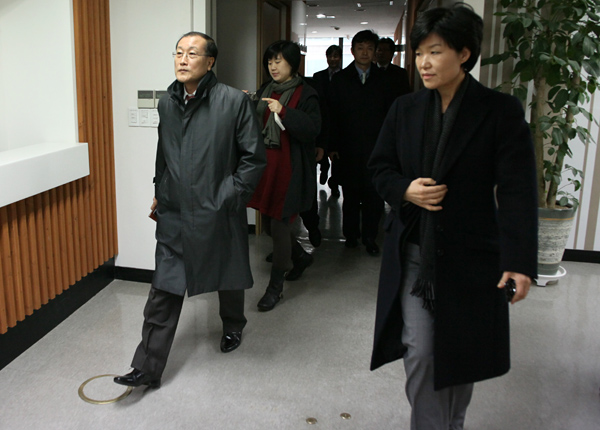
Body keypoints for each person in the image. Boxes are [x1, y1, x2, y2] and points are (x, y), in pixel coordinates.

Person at [368, 5, 538, 429]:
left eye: (435, 51)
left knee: (461, 354)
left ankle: (451, 423)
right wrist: (405, 189)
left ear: (464, 54)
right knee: (422, 352)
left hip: (473, 255)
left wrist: (519, 261)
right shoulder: (405, 109)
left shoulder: (499, 111)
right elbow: (379, 168)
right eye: (418, 53)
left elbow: (517, 190)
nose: (423, 63)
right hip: (416, 252)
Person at [114, 32, 266, 389]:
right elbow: (163, 153)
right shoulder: (167, 103)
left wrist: (230, 196)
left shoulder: (233, 102)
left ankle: (233, 325)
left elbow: (253, 158)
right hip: (176, 210)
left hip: (217, 208)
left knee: (228, 272)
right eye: (178, 53)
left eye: (192, 53)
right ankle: (147, 368)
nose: (183, 59)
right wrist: (160, 189)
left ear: (210, 62)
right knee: (164, 287)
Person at [248, 40, 321, 311]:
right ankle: (300, 256)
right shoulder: (266, 89)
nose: (273, 66)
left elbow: (312, 129)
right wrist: (248, 103)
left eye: (278, 61)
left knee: (279, 226)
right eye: (269, 61)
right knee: (268, 224)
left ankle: (275, 288)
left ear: (293, 63)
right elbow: (256, 123)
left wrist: (284, 111)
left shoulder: (306, 93)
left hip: (290, 169)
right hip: (266, 166)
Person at [328, 30, 398, 256]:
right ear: (352, 51)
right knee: (350, 194)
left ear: (375, 52)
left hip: (377, 147)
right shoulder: (340, 79)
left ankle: (370, 237)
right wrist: (332, 146)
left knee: (374, 195)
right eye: (360, 48)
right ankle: (350, 235)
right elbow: (332, 115)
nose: (365, 53)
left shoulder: (385, 80)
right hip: (347, 147)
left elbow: (392, 116)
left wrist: (391, 147)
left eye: (369, 48)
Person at [313, 45, 342, 196]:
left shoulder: (344, 76)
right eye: (330, 56)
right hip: (323, 118)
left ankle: (334, 183)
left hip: (338, 120)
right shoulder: (318, 76)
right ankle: (324, 169)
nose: (333, 59)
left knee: (337, 156)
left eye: (335, 56)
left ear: (340, 58)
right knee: (322, 149)